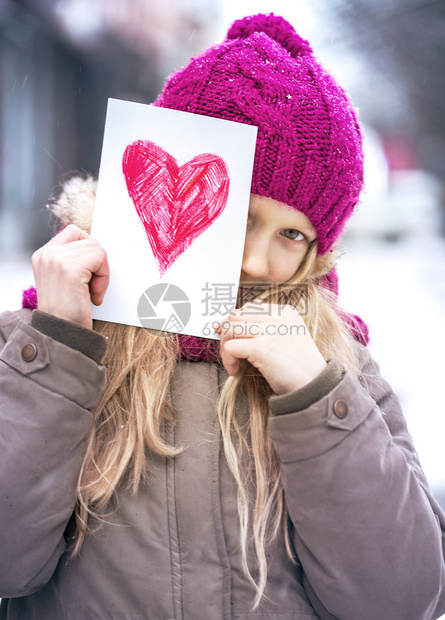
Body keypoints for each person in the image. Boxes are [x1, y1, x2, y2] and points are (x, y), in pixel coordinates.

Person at [0, 12, 444, 620]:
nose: (260, 262)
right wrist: (56, 350)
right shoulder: (50, 339)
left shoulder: (337, 368)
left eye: (292, 233)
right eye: (243, 216)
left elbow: (401, 599)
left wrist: (316, 400)